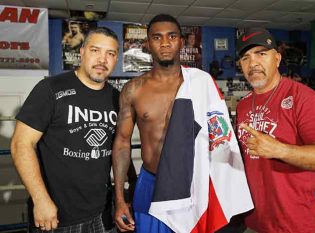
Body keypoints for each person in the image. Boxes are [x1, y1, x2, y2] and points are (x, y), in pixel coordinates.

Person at [112, 14, 252, 233]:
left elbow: (220, 137)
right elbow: (121, 144)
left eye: (172, 36)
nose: (165, 43)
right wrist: (120, 198)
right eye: (157, 37)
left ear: (181, 41)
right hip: (151, 182)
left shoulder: (201, 82)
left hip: (193, 182)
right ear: (148, 44)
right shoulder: (133, 89)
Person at [11, 27, 120, 233]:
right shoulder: (51, 88)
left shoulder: (116, 98)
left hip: (101, 212)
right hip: (56, 216)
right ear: (82, 52)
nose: (102, 59)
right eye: (95, 50)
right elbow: (21, 144)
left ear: (116, 59)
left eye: (110, 54)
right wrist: (40, 200)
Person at [235, 27, 315, 233]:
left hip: (294, 225)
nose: (253, 63)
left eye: (261, 53)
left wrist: (279, 150)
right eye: (245, 58)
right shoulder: (243, 105)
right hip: (255, 222)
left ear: (277, 59)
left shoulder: (305, 99)